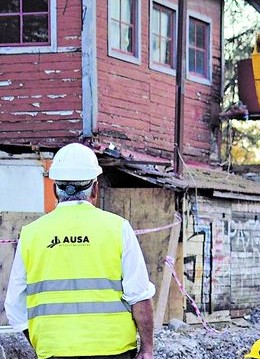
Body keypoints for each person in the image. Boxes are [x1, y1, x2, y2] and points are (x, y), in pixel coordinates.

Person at [4, 143, 156, 359]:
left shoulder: (31, 234)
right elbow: (139, 296)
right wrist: (147, 349)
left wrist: (43, 343)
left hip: (54, 352)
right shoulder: (118, 228)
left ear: (54, 189)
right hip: (114, 351)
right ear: (94, 188)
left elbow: (14, 307)